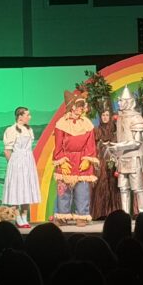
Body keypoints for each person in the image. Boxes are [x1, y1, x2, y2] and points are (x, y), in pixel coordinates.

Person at [52, 90, 100, 226]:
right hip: (66, 159)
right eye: (79, 106)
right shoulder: (61, 123)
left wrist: (87, 159)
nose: (81, 108)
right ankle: (62, 216)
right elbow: (58, 144)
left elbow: (90, 144)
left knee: (82, 190)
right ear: (72, 107)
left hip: (81, 158)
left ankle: (81, 216)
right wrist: (61, 161)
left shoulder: (87, 123)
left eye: (82, 106)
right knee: (63, 190)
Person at [110, 86, 143, 216]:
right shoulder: (120, 117)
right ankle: (125, 216)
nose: (119, 103)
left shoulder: (136, 118)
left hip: (134, 158)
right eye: (119, 100)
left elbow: (137, 142)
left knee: (138, 188)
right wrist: (115, 151)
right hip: (122, 158)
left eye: (121, 100)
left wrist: (119, 146)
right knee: (123, 189)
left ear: (129, 102)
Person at [2, 107, 41, 229]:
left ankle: (24, 216)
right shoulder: (11, 130)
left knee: (27, 189)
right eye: (27, 115)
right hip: (16, 162)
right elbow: (7, 151)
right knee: (16, 189)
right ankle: (18, 217)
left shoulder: (29, 130)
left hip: (28, 161)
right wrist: (12, 165)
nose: (30, 117)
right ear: (20, 116)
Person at [91, 104, 122, 220]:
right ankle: (100, 212)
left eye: (107, 115)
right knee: (101, 185)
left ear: (110, 116)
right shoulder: (97, 130)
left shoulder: (114, 131)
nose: (105, 117)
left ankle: (113, 212)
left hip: (112, 161)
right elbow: (93, 145)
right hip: (100, 161)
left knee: (112, 185)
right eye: (103, 115)